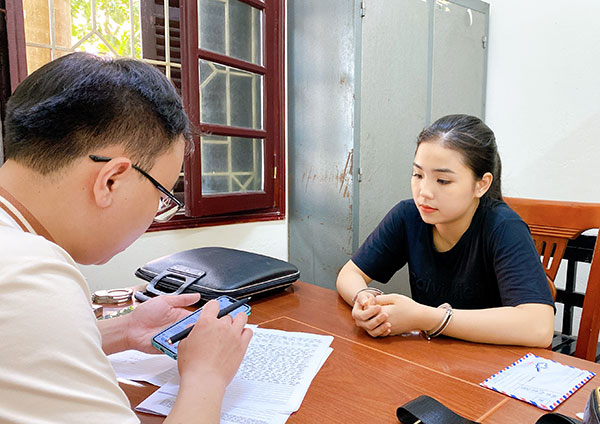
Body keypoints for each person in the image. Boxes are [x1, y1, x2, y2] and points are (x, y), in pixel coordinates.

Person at [0, 52, 252, 423]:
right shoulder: (30, 278)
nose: (157, 214)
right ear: (111, 180)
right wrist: (207, 375)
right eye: (162, 196)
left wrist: (124, 329)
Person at [336, 114, 554, 348]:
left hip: (495, 365)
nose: (424, 192)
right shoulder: (408, 216)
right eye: (418, 175)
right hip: (435, 360)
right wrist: (365, 300)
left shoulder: (503, 226)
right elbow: (349, 274)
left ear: (481, 184)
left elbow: (539, 327)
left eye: (442, 180)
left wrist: (426, 317)